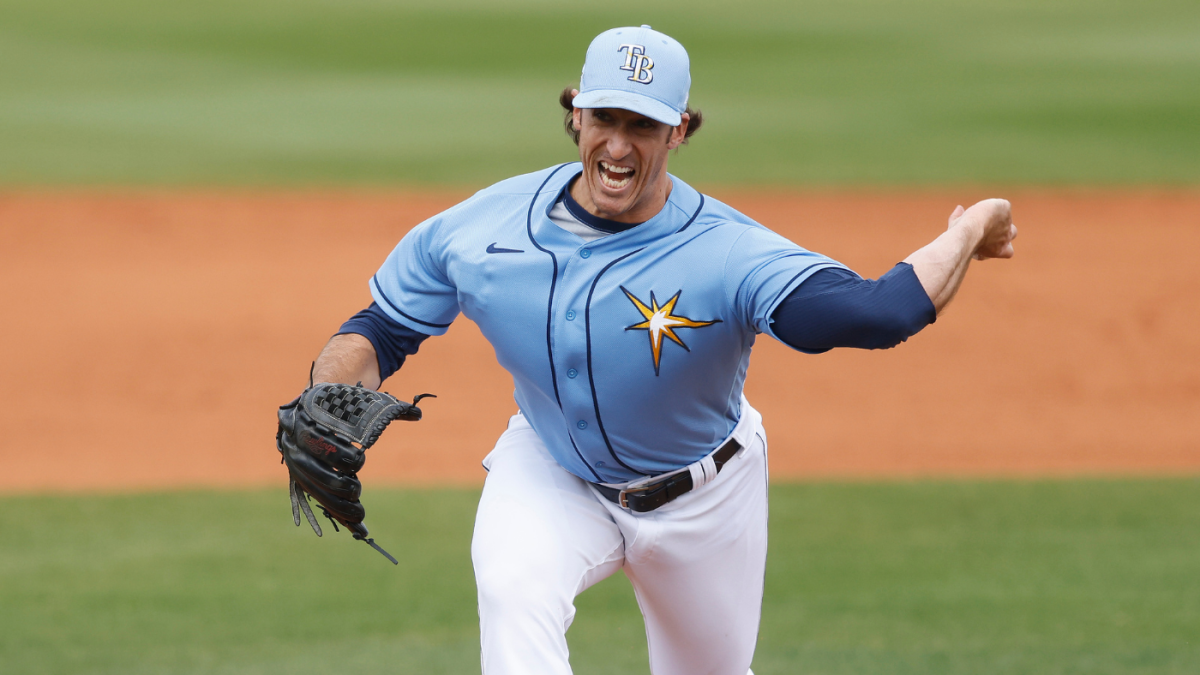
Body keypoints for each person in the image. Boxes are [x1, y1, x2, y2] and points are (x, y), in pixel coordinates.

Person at [302, 25, 1016, 675]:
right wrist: (324, 398)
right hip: (553, 468)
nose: (617, 144)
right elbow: (380, 330)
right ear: (575, 113)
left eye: (641, 124)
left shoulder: (727, 251)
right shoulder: (479, 227)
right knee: (513, 585)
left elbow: (879, 313)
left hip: (705, 500)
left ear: (678, 131)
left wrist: (969, 230)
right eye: (605, 117)